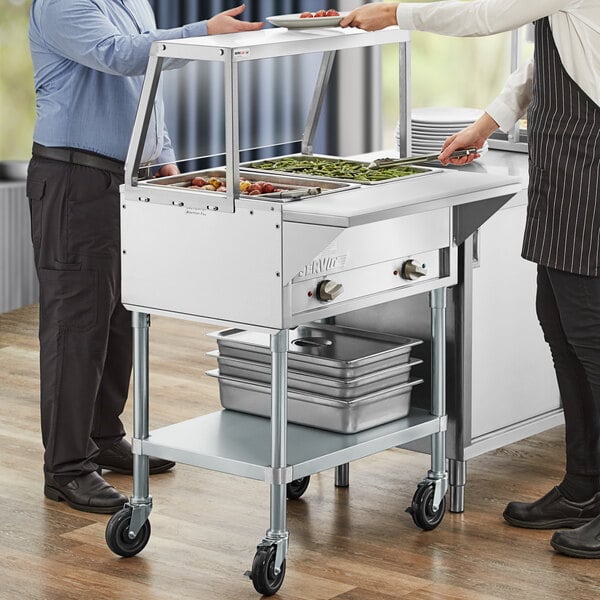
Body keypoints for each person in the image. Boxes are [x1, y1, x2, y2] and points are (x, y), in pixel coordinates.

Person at [341, 1, 600, 558]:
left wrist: (395, 12)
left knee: (594, 342)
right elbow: (544, 62)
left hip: (593, 160)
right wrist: (486, 124)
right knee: (561, 329)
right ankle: (583, 488)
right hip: (563, 161)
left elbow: (484, 13)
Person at [26, 1, 263, 514]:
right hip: (75, 180)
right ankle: (66, 468)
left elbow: (147, 89)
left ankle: (103, 434)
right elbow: (122, 56)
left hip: (133, 178)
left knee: (120, 315)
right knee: (76, 325)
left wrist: (165, 157)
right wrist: (202, 32)